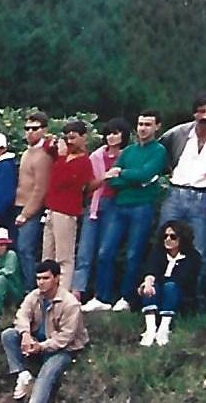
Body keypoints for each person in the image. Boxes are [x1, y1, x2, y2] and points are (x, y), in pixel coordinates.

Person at [89, 111, 167, 312]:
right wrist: (132, 179)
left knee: (134, 254)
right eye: (140, 123)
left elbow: (146, 174)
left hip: (142, 206)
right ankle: (102, 297)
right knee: (105, 252)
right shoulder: (129, 151)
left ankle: (126, 298)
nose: (142, 128)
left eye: (148, 124)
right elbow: (111, 179)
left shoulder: (158, 150)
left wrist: (123, 173)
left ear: (157, 127)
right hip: (119, 205)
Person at [1, 259, 88, 403]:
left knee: (47, 372)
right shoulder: (34, 296)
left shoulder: (70, 303)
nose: (41, 282)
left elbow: (66, 337)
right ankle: (22, 374)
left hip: (64, 349)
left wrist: (41, 346)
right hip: (37, 341)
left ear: (56, 279)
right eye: (39, 278)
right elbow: (21, 315)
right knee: (9, 335)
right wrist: (26, 335)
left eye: (46, 278)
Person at [156, 94, 206, 307]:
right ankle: (156, 296)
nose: (204, 116)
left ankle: (193, 300)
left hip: (202, 197)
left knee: (199, 250)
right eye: (201, 111)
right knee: (164, 242)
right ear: (195, 113)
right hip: (176, 193)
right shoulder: (179, 133)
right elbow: (159, 150)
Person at [72, 119, 127, 299]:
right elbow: (87, 186)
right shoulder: (96, 156)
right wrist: (105, 177)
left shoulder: (127, 155)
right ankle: (77, 291)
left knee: (105, 251)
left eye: (116, 133)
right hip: (95, 204)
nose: (111, 137)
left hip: (116, 205)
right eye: (109, 133)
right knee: (85, 250)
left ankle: (101, 294)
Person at [41, 122, 93, 284]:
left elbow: (66, 180)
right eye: (67, 137)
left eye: (73, 137)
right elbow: (46, 146)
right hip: (51, 209)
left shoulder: (84, 161)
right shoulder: (61, 154)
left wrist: (63, 156)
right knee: (47, 255)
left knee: (64, 257)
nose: (69, 141)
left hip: (66, 211)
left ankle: (62, 292)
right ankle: (46, 289)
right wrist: (53, 142)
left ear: (83, 138)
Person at [13, 111, 58, 287]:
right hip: (18, 205)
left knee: (26, 249)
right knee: (18, 250)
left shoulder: (43, 154)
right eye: (27, 128)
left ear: (44, 130)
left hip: (30, 208)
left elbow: (41, 188)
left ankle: (32, 288)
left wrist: (26, 213)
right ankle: (23, 287)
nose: (30, 132)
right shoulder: (27, 152)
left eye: (35, 128)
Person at [137, 221, 198, 347]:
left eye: (173, 236)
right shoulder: (158, 253)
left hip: (180, 294)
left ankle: (164, 328)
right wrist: (148, 282)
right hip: (158, 291)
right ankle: (150, 328)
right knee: (149, 286)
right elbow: (151, 269)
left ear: (182, 238)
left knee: (170, 286)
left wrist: (158, 280)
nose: (168, 239)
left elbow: (183, 279)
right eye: (165, 236)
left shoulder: (192, 256)